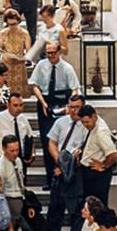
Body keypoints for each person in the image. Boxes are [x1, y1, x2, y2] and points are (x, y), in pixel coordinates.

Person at [29, 42, 81, 188]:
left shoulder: (67, 68)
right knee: (47, 141)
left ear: (59, 52)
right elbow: (34, 85)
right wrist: (43, 102)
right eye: (48, 53)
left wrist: (69, 107)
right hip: (45, 103)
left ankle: (64, 175)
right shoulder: (41, 65)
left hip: (62, 103)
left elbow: (75, 89)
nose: (50, 56)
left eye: (53, 53)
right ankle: (50, 178)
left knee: (61, 141)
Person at [47, 94, 88, 231]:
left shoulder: (86, 126)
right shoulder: (61, 122)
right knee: (54, 212)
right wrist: (59, 162)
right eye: (71, 107)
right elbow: (52, 142)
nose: (73, 111)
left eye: (77, 107)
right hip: (59, 172)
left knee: (77, 215)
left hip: (76, 174)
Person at [78, 105, 117, 204]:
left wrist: (104, 166)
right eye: (83, 122)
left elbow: (113, 153)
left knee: (96, 205)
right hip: (88, 172)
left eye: (87, 122)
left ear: (94, 117)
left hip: (96, 175)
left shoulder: (101, 132)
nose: (85, 125)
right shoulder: (96, 123)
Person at [0, 135, 26, 230]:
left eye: (17, 150)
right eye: (12, 151)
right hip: (9, 200)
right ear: (4, 149)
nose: (15, 153)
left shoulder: (18, 161)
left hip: (20, 196)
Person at [0, 9, 31, 97]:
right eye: (10, 24)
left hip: (19, 64)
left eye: (14, 24)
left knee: (19, 93)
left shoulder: (24, 33)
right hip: (7, 64)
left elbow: (29, 51)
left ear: (18, 21)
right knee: (7, 92)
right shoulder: (3, 33)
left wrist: (23, 58)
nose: (13, 26)